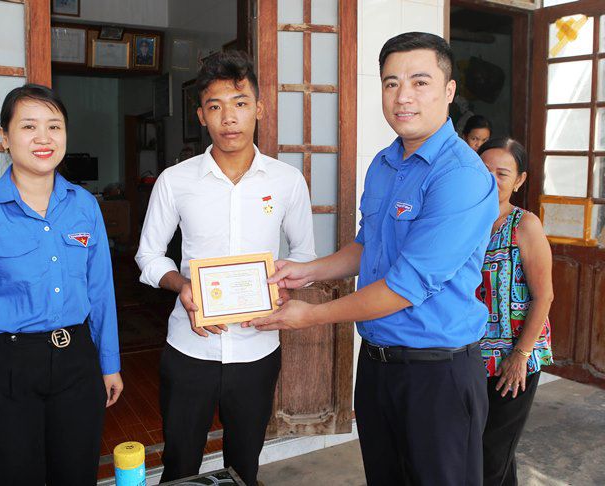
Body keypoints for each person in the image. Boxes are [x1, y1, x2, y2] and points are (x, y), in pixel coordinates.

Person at [245, 32, 499, 485]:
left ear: (449, 90)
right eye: (390, 83)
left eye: (420, 82)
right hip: (378, 366)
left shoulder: (461, 176)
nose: (403, 97)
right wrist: (305, 271)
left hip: (437, 374)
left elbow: (404, 287)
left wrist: (310, 316)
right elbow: (368, 247)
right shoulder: (384, 164)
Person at [135, 50, 315, 486]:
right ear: (201, 115)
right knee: (180, 463)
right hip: (189, 349)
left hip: (257, 349)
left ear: (259, 108)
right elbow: (149, 255)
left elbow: (305, 255)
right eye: (215, 106)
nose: (229, 118)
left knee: (244, 465)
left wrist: (285, 285)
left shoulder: (286, 181)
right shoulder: (175, 180)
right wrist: (181, 285)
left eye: (240, 103)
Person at [0, 84, 123, 485]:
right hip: (6, 367)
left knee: (77, 475)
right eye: (29, 126)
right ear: (4, 136)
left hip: (77, 362)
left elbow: (101, 292)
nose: (43, 138)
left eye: (54, 126)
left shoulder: (85, 205)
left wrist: (109, 364)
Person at [476, 138, 553, 486]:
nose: (491, 179)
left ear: (519, 180)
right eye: (484, 170)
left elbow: (544, 296)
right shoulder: (464, 223)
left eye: (502, 173)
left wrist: (520, 355)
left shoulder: (525, 225)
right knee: (488, 452)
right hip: (470, 356)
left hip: (513, 358)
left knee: (491, 454)